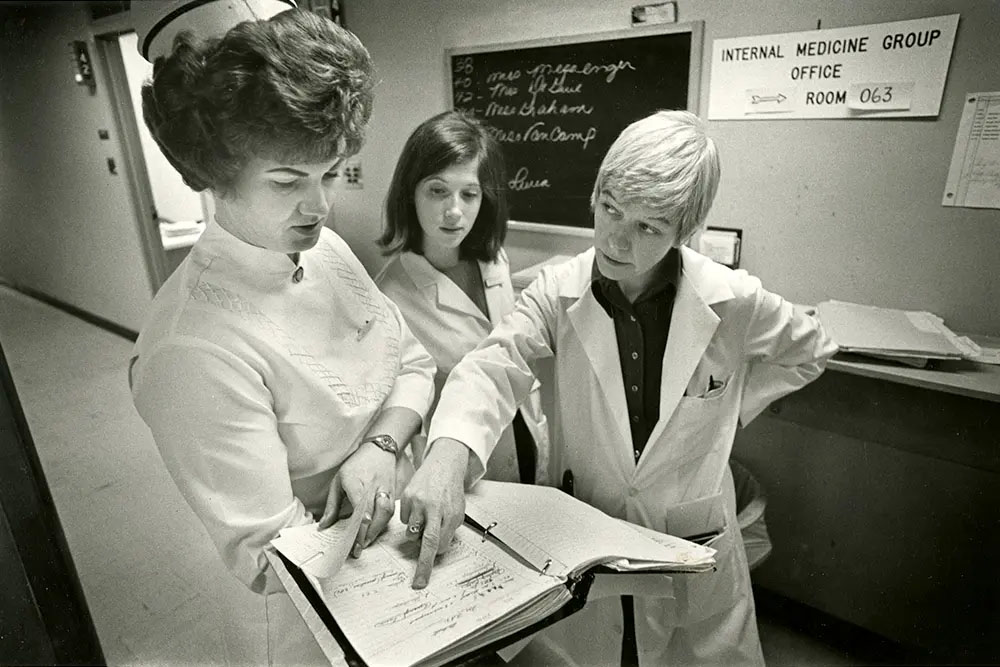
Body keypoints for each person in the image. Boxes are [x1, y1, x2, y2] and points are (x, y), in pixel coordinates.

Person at [424, 110, 839, 666]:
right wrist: (449, 452)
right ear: (595, 195)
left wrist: (728, 413)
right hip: (587, 526)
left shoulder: (735, 301)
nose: (616, 240)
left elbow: (812, 350)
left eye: (648, 227)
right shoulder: (557, 291)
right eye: (610, 210)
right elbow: (494, 364)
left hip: (692, 536)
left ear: (683, 232)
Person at [128, 10, 469, 665]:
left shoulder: (327, 249)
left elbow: (417, 363)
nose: (320, 206)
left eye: (333, 173)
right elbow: (271, 556)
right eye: (288, 181)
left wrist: (380, 443)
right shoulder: (191, 347)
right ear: (215, 172)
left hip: (402, 544)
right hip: (318, 609)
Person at [375, 111, 550, 486]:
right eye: (437, 190)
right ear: (411, 192)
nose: (454, 211)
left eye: (468, 194)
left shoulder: (495, 260)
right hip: (457, 466)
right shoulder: (389, 296)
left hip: (524, 434)